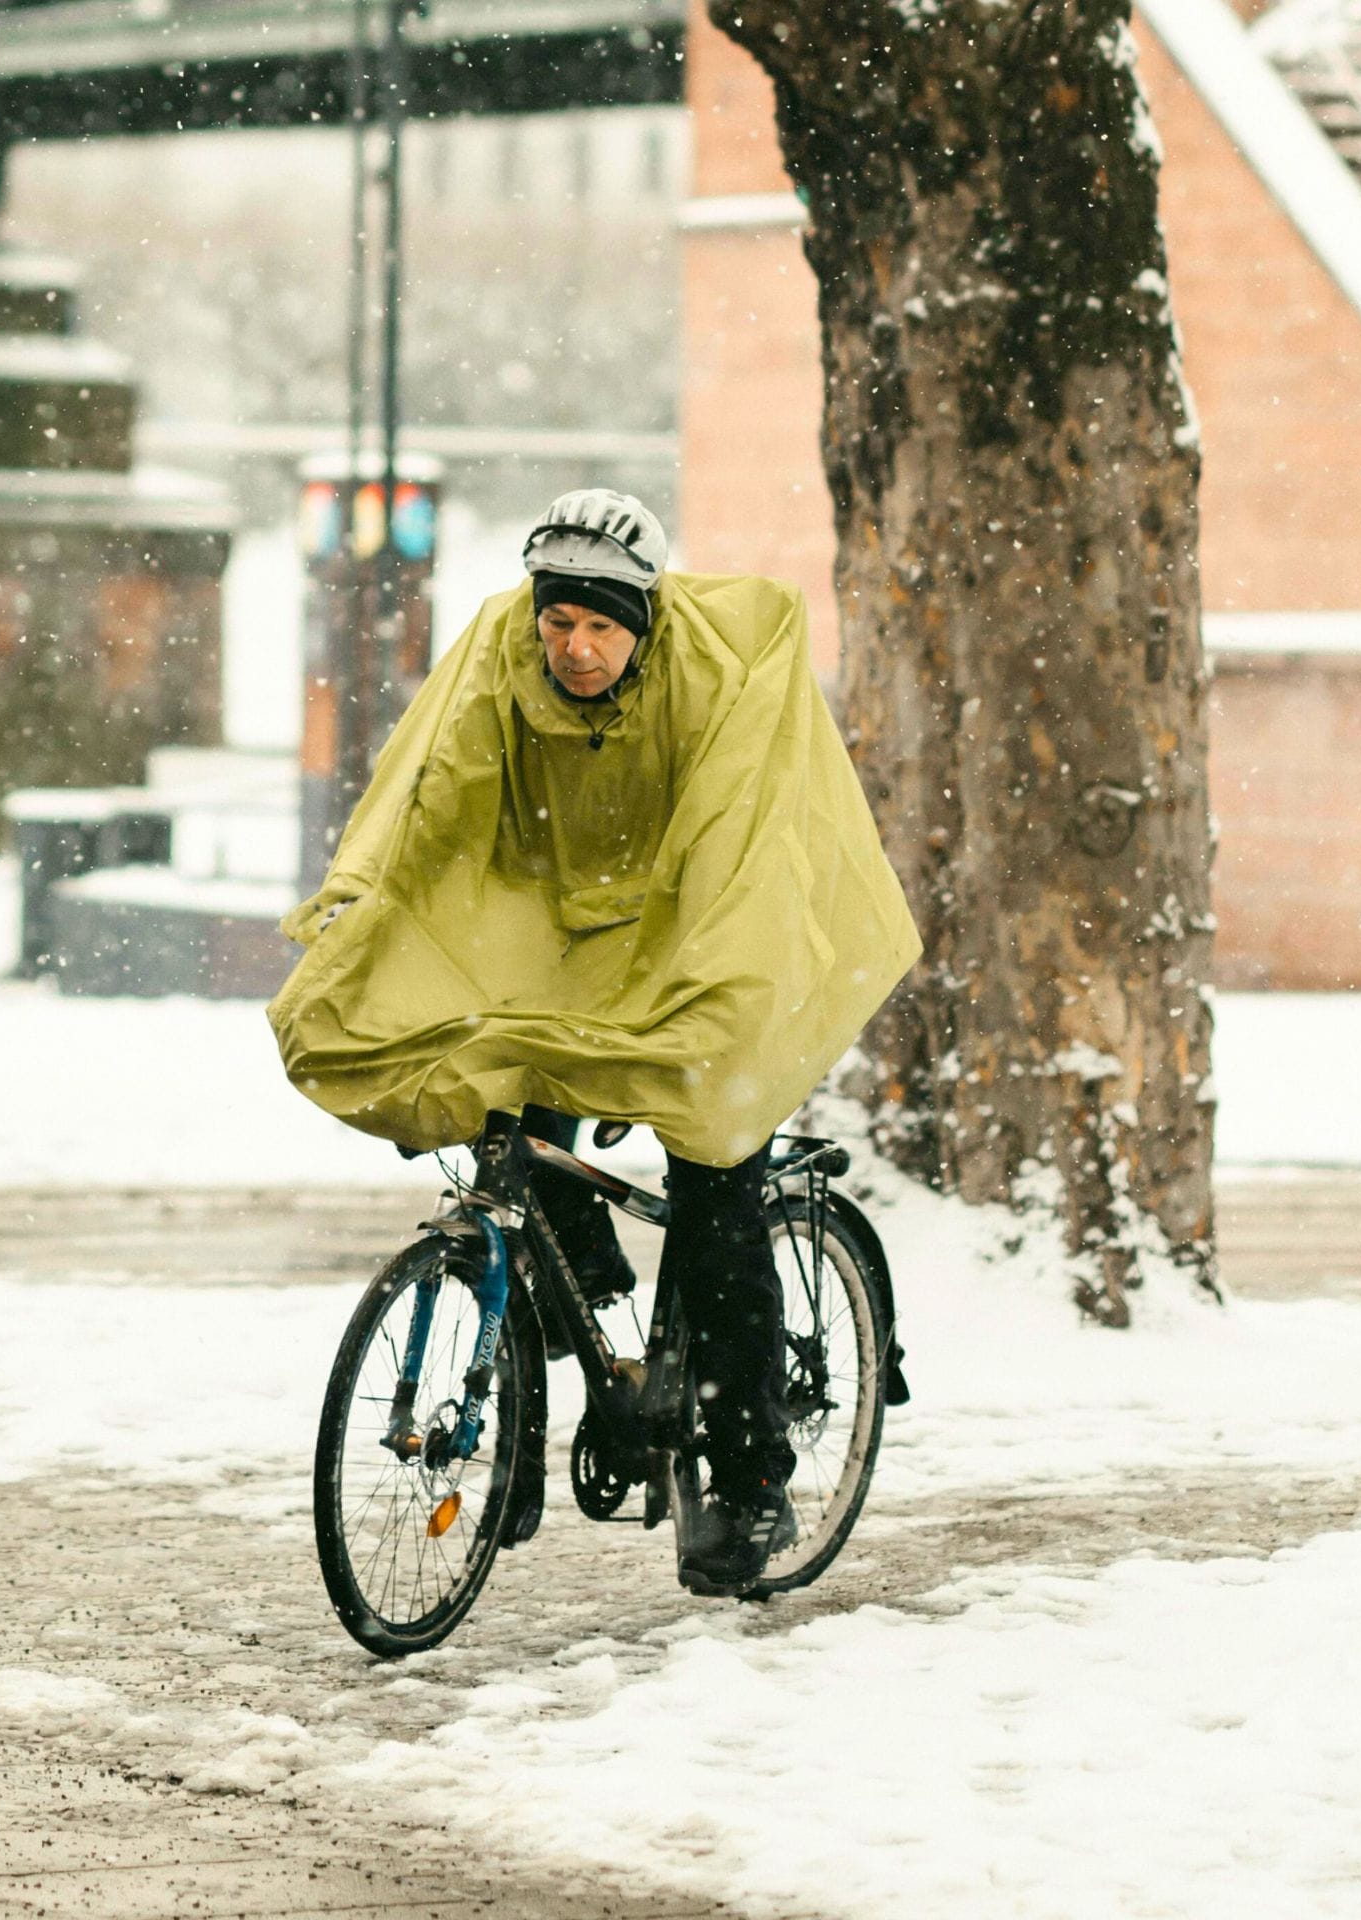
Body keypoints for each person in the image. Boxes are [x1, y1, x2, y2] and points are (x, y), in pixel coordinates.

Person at [269, 489, 919, 1596]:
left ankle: (751, 1481)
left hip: (702, 930)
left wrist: (696, 1001)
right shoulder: (495, 666)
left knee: (716, 1188)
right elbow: (423, 803)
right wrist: (356, 912)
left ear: (644, 625)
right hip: (560, 930)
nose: (574, 647)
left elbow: (736, 849)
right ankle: (527, 1392)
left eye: (602, 627)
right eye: (556, 621)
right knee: (500, 1127)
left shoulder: (713, 683)